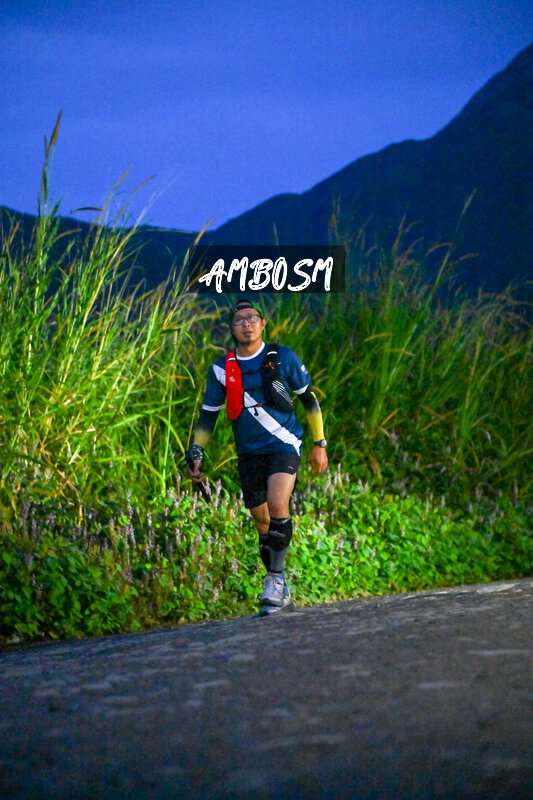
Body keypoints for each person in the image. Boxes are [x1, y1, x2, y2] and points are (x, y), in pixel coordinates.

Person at [185, 298, 328, 616]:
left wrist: (319, 443)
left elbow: (309, 400)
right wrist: (197, 450)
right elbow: (208, 416)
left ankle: (273, 580)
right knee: (262, 522)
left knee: (278, 505)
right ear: (231, 328)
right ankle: (280, 587)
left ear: (263, 324)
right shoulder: (222, 369)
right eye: (239, 320)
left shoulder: (283, 357)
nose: (246, 324)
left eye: (252, 318)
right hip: (248, 451)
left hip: (284, 444)